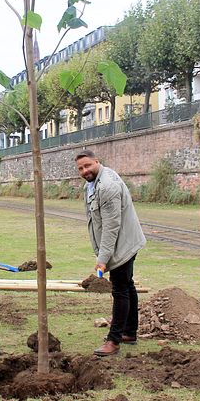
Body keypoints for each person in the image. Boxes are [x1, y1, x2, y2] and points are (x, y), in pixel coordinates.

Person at [75, 150, 146, 356]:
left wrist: (102, 260)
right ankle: (130, 332)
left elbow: (111, 227)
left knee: (120, 290)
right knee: (128, 285)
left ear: (97, 162)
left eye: (88, 165)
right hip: (122, 242)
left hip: (122, 245)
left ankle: (114, 341)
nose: (84, 171)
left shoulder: (107, 186)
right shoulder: (91, 184)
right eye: (80, 168)